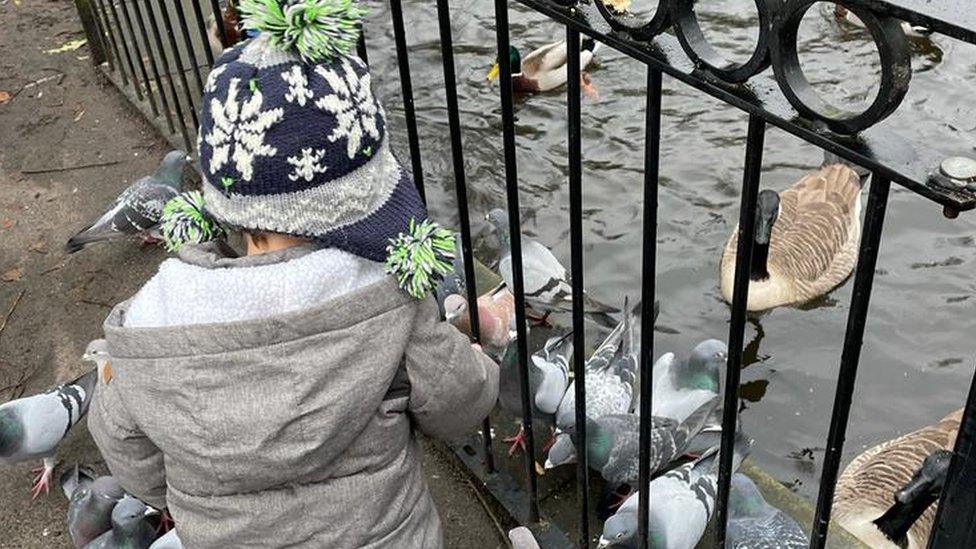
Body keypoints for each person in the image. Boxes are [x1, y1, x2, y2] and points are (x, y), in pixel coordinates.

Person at [87, 1, 499, 547]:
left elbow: (128, 453)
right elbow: (461, 405)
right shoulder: (393, 303)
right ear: (363, 206)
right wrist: (479, 353)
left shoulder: (148, 329)